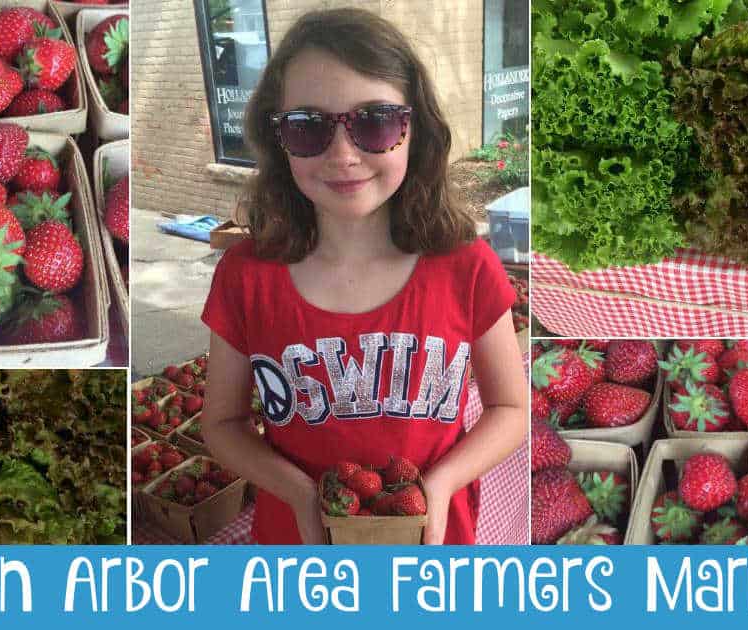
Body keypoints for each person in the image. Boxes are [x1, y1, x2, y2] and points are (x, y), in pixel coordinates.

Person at [201, 8, 527, 545]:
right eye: (308, 128)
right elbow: (223, 424)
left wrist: (441, 485)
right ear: (277, 138)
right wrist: (304, 495)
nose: (344, 154)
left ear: (414, 128)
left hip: (432, 549)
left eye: (375, 122)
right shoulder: (245, 277)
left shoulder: (467, 266)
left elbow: (511, 409)